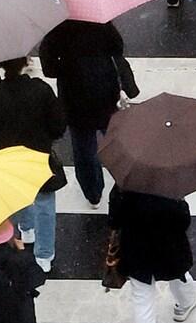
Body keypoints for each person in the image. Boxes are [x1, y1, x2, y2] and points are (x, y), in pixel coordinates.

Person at [0, 56, 67, 272]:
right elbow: (58, 124)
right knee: (44, 203)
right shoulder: (41, 90)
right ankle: (44, 255)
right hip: (38, 155)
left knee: (17, 195)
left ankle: (27, 229)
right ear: (25, 63)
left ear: (0, 65)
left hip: (7, 156)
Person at [37, 21, 138, 207]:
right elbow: (117, 47)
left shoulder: (58, 28)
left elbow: (48, 67)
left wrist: (67, 68)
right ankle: (126, 180)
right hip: (105, 89)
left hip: (75, 96)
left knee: (84, 147)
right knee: (115, 140)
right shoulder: (100, 21)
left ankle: (93, 193)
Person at [108, 184, 196, 323]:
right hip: (169, 249)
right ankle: (184, 304)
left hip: (136, 252)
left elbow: (113, 220)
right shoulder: (169, 186)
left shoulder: (123, 186)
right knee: (178, 277)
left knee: (142, 300)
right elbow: (184, 221)